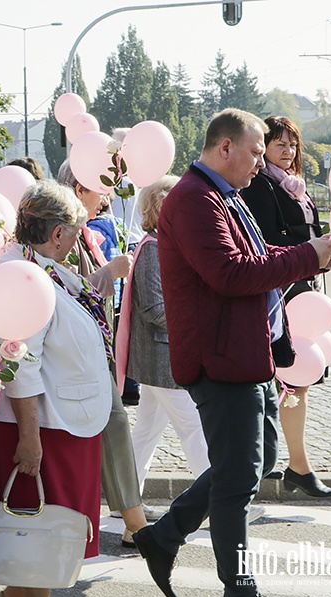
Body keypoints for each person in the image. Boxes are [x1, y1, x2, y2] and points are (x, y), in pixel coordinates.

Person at [133, 108, 331, 597]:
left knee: (259, 459)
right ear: (224, 147)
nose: (260, 161)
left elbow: (256, 257)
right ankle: (239, 587)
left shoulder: (222, 195)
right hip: (220, 358)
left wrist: (311, 252)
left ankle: (163, 535)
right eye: (254, 151)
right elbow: (230, 275)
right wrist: (305, 257)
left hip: (245, 353)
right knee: (236, 480)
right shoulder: (193, 200)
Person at [0, 181, 113, 597]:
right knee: (35, 546)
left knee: (41, 552)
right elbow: (20, 365)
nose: (76, 241)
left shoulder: (40, 268)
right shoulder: (23, 275)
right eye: (75, 231)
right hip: (39, 426)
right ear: (57, 233)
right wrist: (30, 438)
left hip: (56, 422)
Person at [55, 161, 158, 547]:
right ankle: (135, 525)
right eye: (103, 186)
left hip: (95, 353)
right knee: (114, 429)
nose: (109, 195)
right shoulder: (63, 234)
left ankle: (134, 523)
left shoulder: (86, 233)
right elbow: (65, 291)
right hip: (76, 358)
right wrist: (110, 272)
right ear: (81, 188)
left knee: (118, 431)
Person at [240, 116, 331, 497]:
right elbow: (265, 241)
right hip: (280, 290)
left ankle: (297, 463)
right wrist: (311, 250)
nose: (288, 151)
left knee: (299, 378)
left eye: (293, 145)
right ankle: (274, 464)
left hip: (303, 288)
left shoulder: (293, 186)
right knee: (284, 377)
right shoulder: (261, 185)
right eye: (279, 144)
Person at [114, 176, 211, 499]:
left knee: (146, 433)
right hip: (163, 359)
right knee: (195, 429)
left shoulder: (160, 245)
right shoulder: (155, 249)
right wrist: (198, 317)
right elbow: (155, 310)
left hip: (158, 359)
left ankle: (126, 499)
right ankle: (220, 500)